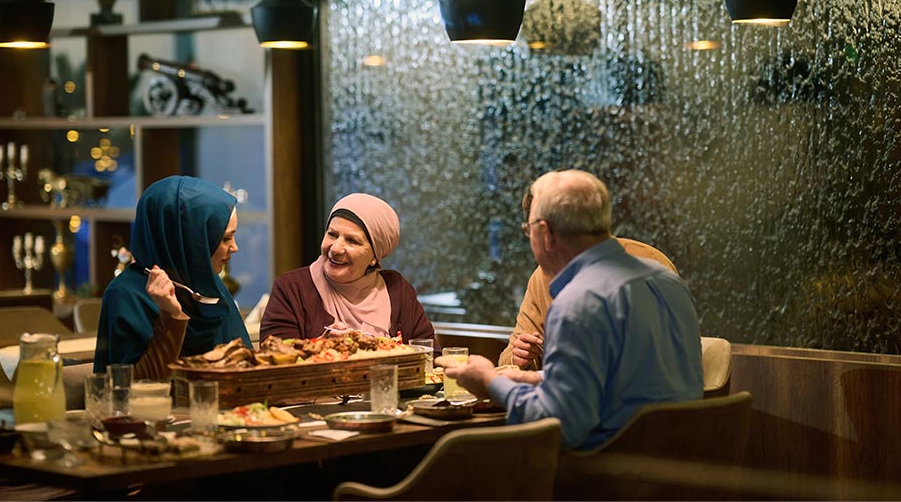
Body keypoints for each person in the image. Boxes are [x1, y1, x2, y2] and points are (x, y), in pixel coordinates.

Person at [438, 170, 702, 450]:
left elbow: (561, 425)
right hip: (681, 469)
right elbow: (631, 382)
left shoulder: (579, 301)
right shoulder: (667, 280)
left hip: (614, 477)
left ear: (545, 233)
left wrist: (490, 382)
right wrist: (537, 378)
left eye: (528, 231)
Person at [499, 185, 680, 370]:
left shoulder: (647, 265)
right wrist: (521, 357)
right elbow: (508, 359)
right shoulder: (542, 277)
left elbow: (671, 353)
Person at [94, 176, 251, 380]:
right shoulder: (125, 294)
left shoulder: (210, 288)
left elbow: (247, 367)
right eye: (225, 238)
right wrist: (172, 317)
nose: (235, 247)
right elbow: (136, 391)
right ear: (188, 239)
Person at [260, 193, 437, 347]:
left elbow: (430, 357)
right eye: (332, 234)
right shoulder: (292, 288)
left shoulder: (397, 290)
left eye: (352, 241)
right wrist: (321, 347)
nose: (336, 248)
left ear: (375, 255)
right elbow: (274, 360)